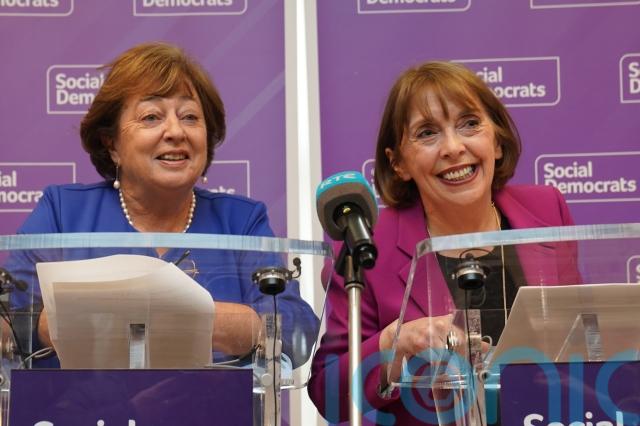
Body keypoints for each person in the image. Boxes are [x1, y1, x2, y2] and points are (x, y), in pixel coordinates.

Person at [5, 41, 318, 369]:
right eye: (151, 117)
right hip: (77, 401)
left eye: (190, 117)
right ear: (111, 144)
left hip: (210, 401)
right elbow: (9, 317)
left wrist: (174, 319)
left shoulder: (240, 221)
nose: (175, 131)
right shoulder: (64, 212)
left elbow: (295, 326)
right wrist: (58, 325)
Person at [307, 61, 580, 425]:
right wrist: (393, 343)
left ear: (497, 141)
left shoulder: (546, 210)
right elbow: (328, 394)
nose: (453, 148)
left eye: (469, 124)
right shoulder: (367, 248)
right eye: (427, 133)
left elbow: (583, 338)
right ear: (398, 163)